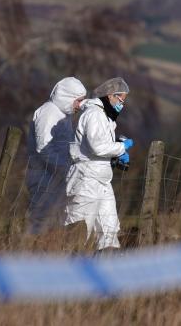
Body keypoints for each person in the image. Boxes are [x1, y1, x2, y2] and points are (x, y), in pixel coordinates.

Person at [64, 76, 134, 250]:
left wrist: (116, 155)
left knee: (109, 228)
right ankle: (68, 263)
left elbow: (100, 146)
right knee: (79, 228)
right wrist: (121, 147)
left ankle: (108, 262)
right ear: (110, 96)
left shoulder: (105, 117)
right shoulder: (94, 114)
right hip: (86, 180)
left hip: (102, 180)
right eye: (121, 99)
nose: (122, 104)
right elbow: (97, 147)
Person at [25, 77, 86, 233]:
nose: (80, 105)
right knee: (41, 221)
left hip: (57, 178)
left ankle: (48, 247)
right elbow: (43, 149)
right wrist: (66, 169)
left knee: (57, 224)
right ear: (68, 97)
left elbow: (64, 146)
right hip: (43, 178)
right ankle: (33, 246)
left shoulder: (64, 115)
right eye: (78, 101)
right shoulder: (48, 113)